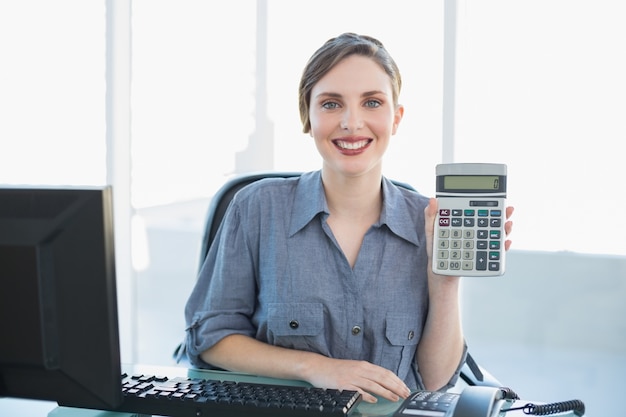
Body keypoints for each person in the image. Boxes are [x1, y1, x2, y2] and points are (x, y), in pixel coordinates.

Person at [184, 32, 514, 404]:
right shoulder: (257, 207)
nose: (352, 122)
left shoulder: (430, 224)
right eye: (331, 104)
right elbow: (209, 338)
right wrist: (314, 366)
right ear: (307, 116)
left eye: (372, 102)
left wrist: (445, 281)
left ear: (396, 118)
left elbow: (435, 380)